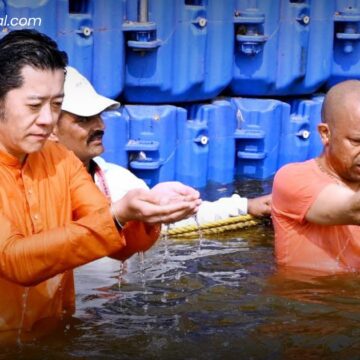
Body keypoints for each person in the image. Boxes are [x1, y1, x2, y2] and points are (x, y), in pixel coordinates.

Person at [0, 29, 200, 344]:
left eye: (56, 105)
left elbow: (114, 240)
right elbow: (14, 260)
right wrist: (118, 216)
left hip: (55, 339)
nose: (47, 120)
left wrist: (147, 211)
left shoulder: (60, 159)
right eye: (34, 105)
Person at [52, 66, 272, 226]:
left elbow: (168, 222)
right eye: (83, 119)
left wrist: (245, 206)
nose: (100, 126)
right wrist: (119, 214)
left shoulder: (116, 179)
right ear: (49, 126)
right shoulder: (33, 187)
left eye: (98, 116)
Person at [272, 80, 360, 274]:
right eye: (356, 141)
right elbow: (354, 209)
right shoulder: (292, 178)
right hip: (312, 298)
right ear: (325, 133)